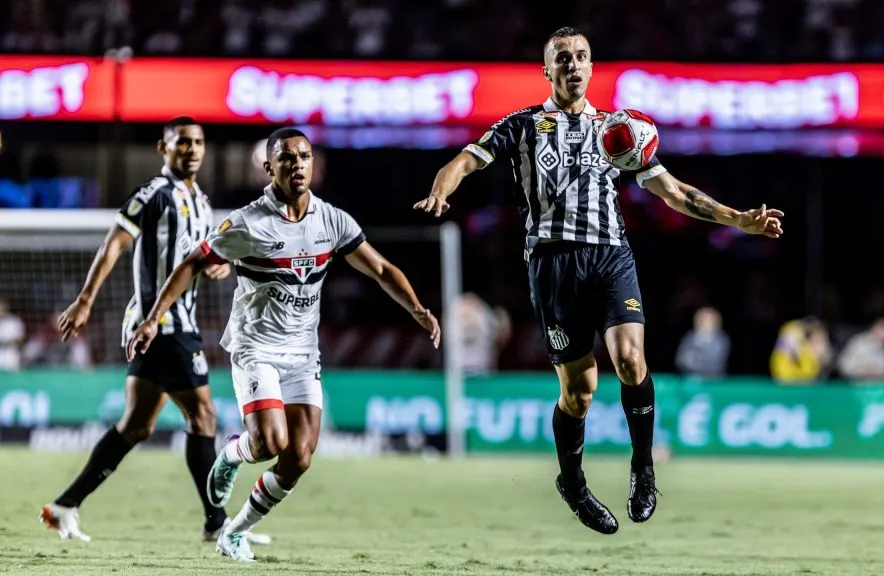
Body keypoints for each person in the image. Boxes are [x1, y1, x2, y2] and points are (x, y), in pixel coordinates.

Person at [414, 26, 783, 535]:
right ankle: (572, 482)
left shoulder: (619, 132)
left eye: (581, 57)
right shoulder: (522, 126)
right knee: (580, 392)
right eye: (562, 57)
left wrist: (736, 218)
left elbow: (676, 193)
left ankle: (644, 468)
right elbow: (464, 160)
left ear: (591, 67)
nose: (572, 64)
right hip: (553, 264)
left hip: (611, 256)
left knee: (632, 360)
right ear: (548, 70)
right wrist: (442, 189)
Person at [127, 127, 440, 562]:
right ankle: (232, 454)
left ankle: (234, 532)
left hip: (302, 354)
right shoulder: (248, 223)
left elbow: (382, 270)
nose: (297, 164)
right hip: (256, 347)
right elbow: (193, 262)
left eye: (304, 156)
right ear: (268, 166)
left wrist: (417, 309)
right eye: (287, 158)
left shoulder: (332, 221)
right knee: (269, 443)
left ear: (314, 164)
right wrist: (153, 317)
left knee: (300, 458)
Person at [39, 117, 270, 546]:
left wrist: (215, 265)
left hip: (178, 322)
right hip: (161, 324)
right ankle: (216, 522)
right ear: (162, 148)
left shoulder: (200, 200)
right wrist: (86, 299)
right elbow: (114, 243)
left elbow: (197, 257)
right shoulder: (154, 193)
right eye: (183, 142)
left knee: (137, 426)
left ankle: (64, 506)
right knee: (202, 416)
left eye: (199, 142)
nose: (193, 149)